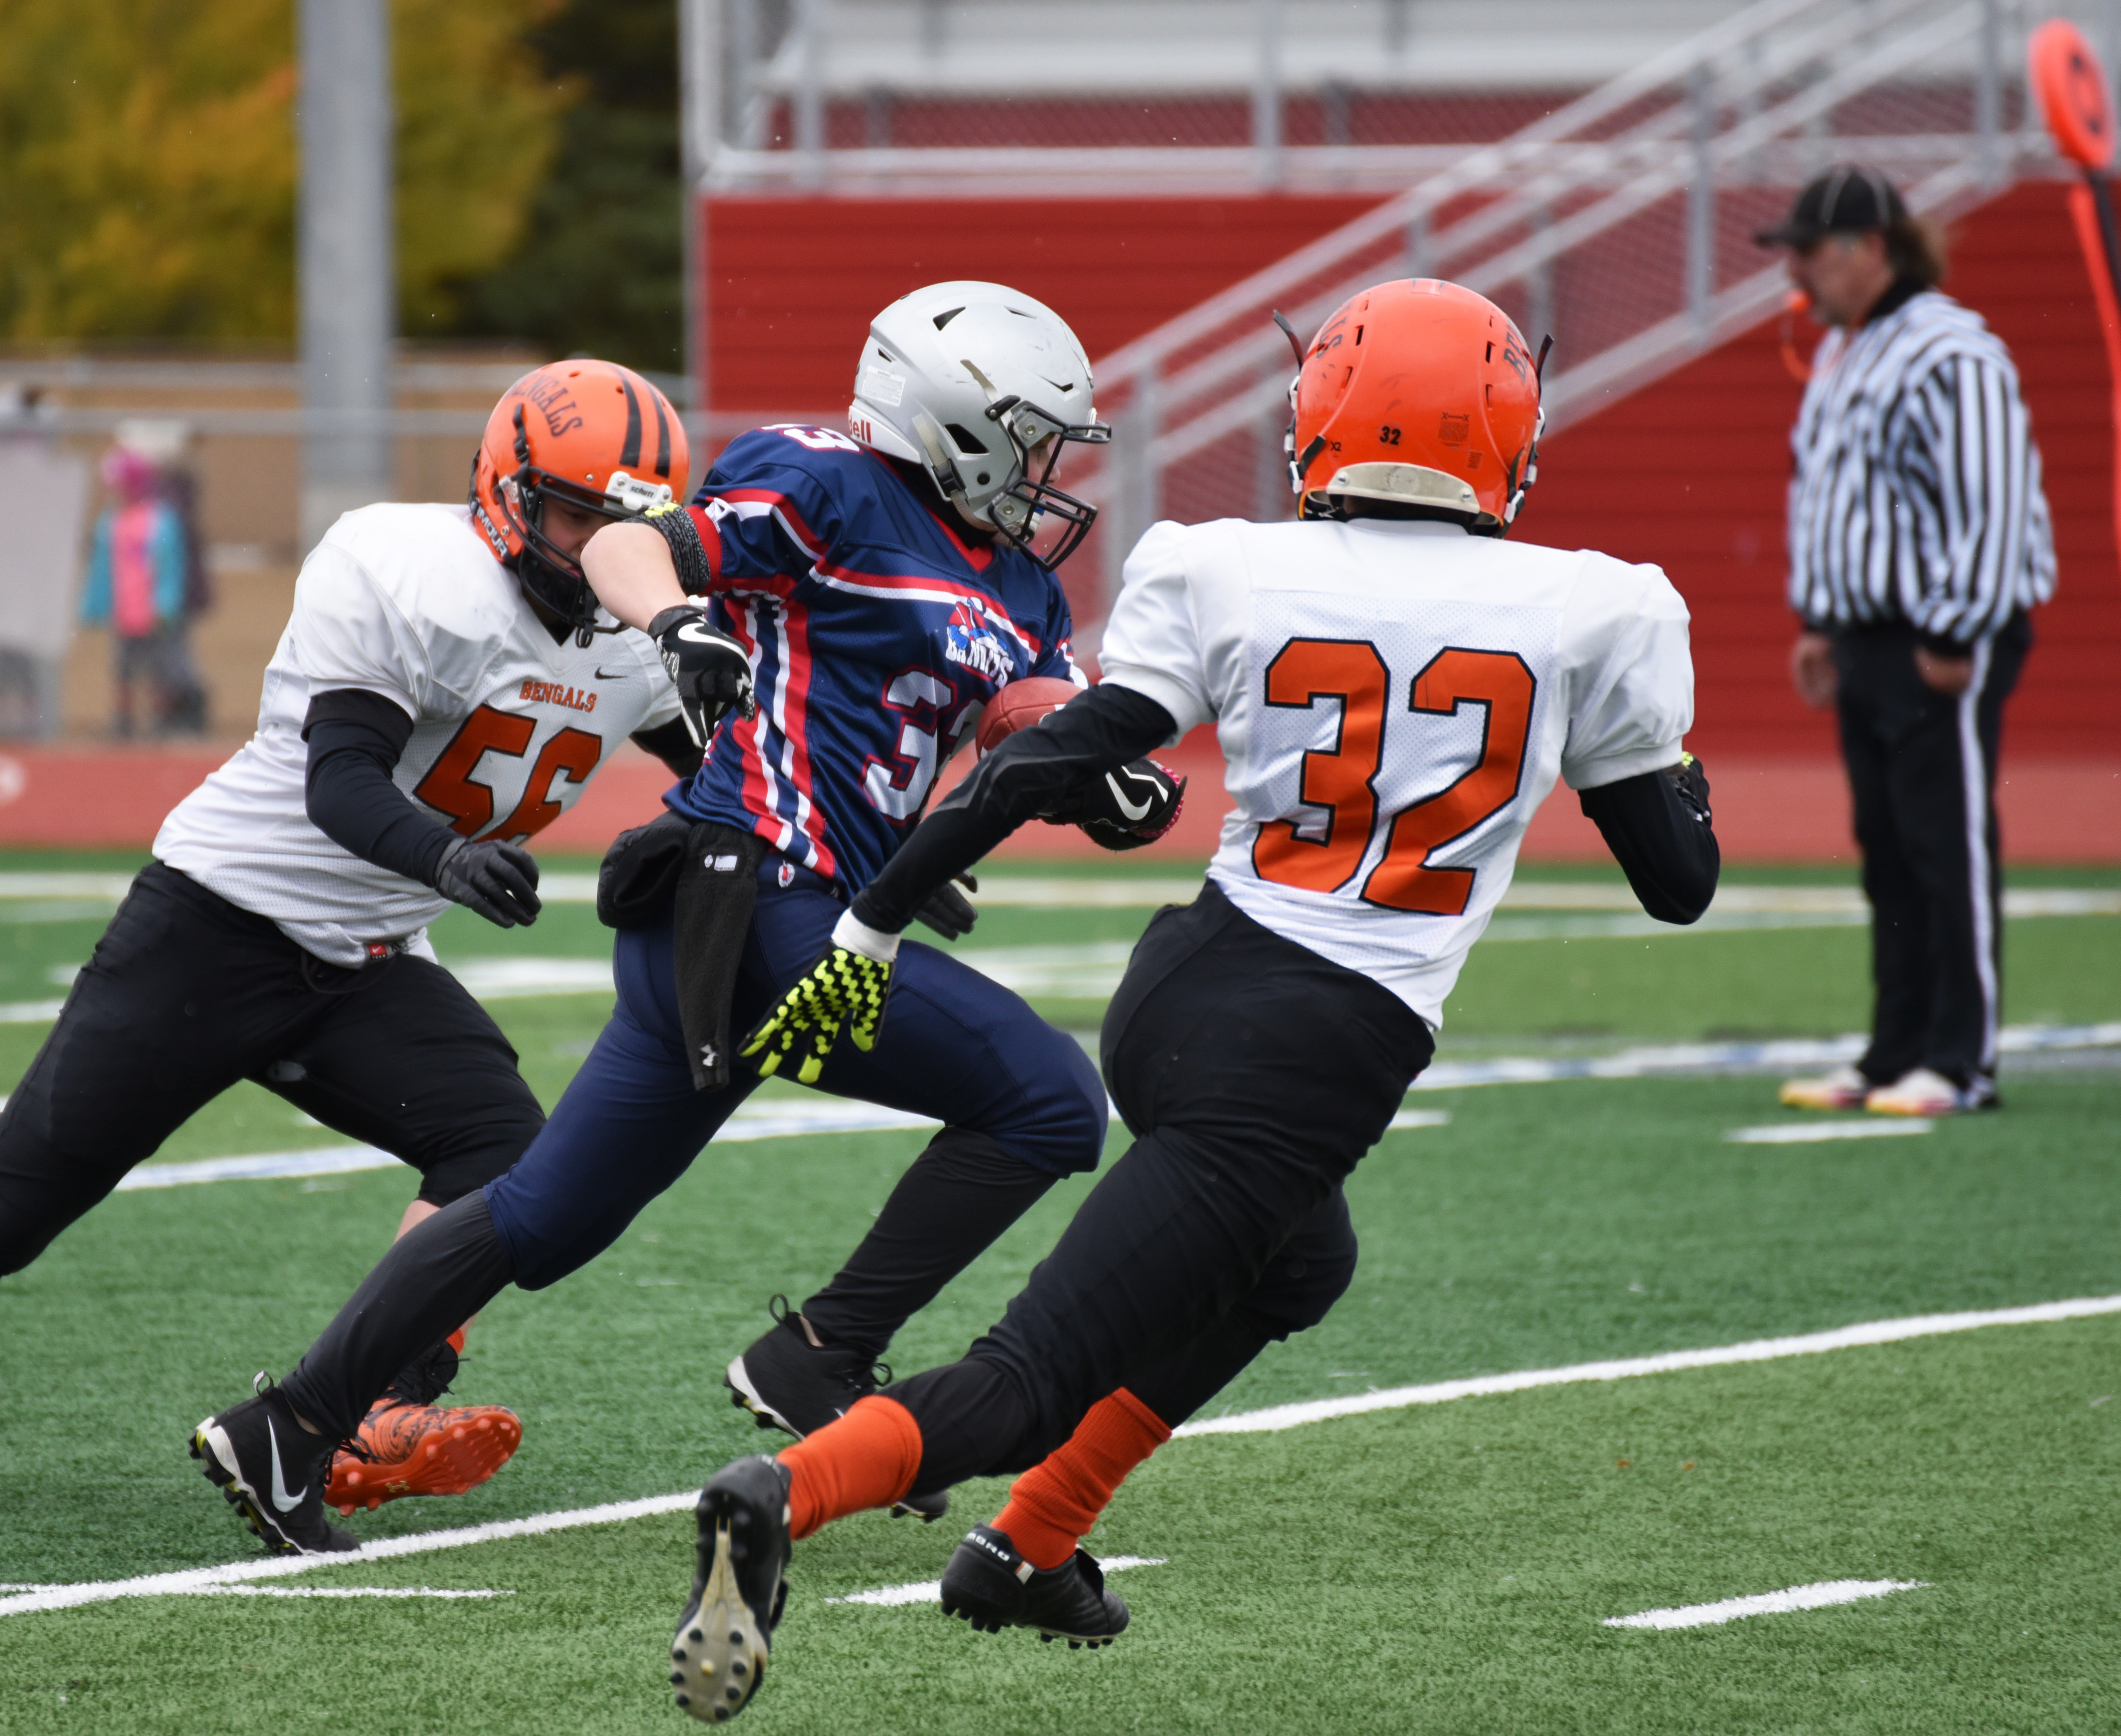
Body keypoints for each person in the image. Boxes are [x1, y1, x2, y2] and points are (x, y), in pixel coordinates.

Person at [658, 277, 1721, 1723]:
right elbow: (1677, 883)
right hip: (1314, 1048)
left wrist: (874, 917)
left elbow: (1037, 765)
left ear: (1317, 420)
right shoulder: (1597, 606)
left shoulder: (1229, 565)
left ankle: (1027, 1548)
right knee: (1028, 1377)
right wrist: (1658, 756)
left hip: (1182, 988)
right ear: (1506, 440)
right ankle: (777, 1495)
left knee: (1297, 1264)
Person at [189, 281, 1188, 1557]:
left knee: (544, 1214)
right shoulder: (828, 484)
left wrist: (1103, 774)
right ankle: (821, 1352)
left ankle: (289, 1422)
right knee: (1048, 1101)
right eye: (1029, 439)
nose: (1044, 471)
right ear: (953, 423)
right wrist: (674, 619)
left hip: (755, 918)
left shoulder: (1018, 585)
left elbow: (1025, 715)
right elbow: (627, 545)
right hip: (756, 900)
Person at [0, 362, 707, 1519]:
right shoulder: (408, 568)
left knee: (509, 1154)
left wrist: (742, 836)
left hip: (368, 958)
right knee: (1, 1213)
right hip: (218, 923)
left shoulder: (646, 632)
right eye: (577, 515)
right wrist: (445, 859)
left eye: (628, 525)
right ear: (507, 493)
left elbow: (735, 770)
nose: (601, 550)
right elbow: (341, 778)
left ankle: (369, 1406)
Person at [1762, 167, 2056, 1119]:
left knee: (1944, 841)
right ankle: (1894, 1052)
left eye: (1810, 251)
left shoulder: (1948, 349)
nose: (1796, 271)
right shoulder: (1845, 351)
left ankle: (1959, 1059)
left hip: (1936, 636)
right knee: (1886, 849)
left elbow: (1992, 494)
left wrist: (1954, 624)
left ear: (1871, 248)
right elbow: (1830, 496)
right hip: (1865, 635)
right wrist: (1818, 618)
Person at [81, 435, 195, 737]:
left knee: (161, 671)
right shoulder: (111, 522)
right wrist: (95, 605)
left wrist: (166, 602)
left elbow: (171, 565)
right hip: (125, 613)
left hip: (154, 613)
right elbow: (103, 569)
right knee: (123, 670)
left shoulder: (161, 520)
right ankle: (124, 720)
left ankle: (161, 720)